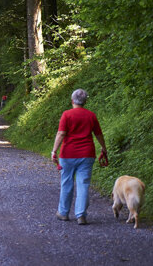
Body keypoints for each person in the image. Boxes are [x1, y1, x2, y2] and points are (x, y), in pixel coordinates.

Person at [51, 89, 108, 225]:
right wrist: (104, 148)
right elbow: (99, 134)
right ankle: (81, 215)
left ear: (72, 101)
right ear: (85, 101)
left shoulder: (67, 115)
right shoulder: (91, 116)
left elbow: (61, 133)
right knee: (83, 184)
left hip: (68, 154)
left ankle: (63, 213)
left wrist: (54, 151)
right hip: (87, 154)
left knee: (67, 182)